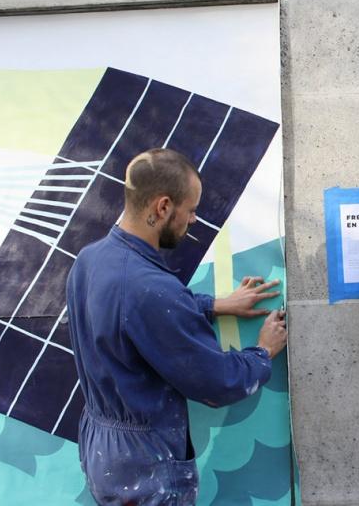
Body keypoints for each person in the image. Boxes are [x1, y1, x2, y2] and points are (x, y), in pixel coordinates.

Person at [66, 148, 287, 505]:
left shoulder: (90, 260)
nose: (194, 220)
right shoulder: (150, 289)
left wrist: (212, 305)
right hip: (145, 468)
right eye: (192, 210)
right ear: (163, 207)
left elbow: (130, 319)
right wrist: (262, 353)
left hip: (103, 450)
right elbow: (217, 384)